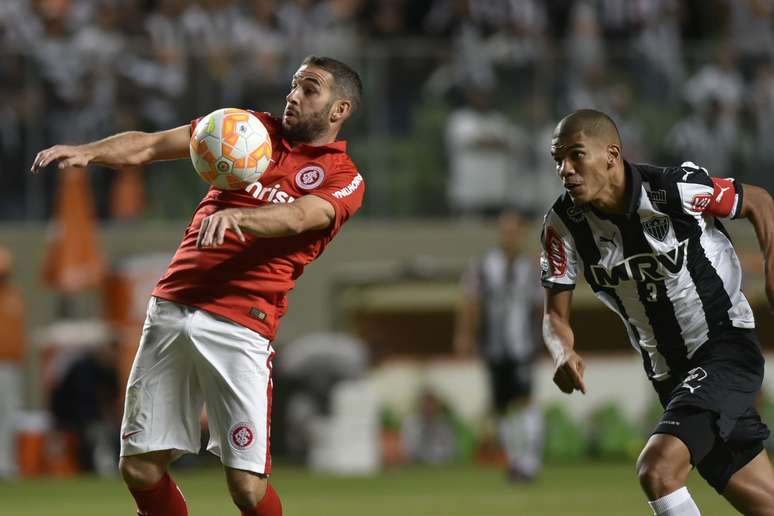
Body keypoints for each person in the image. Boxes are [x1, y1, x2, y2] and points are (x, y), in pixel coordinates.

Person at [31, 55, 365, 516]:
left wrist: (240, 216)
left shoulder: (344, 177)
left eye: (309, 89)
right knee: (140, 469)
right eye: (293, 85)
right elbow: (149, 145)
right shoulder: (244, 128)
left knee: (246, 488)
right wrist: (90, 151)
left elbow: (301, 215)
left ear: (338, 110)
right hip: (171, 306)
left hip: (241, 325)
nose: (293, 95)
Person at [540, 109, 774, 515]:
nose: (565, 170)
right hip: (669, 374)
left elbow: (757, 200)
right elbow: (553, 316)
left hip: (724, 348)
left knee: (657, 469)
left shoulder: (674, 190)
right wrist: (561, 351)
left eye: (576, 155)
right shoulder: (563, 225)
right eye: (558, 159)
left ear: (612, 154)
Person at [454, 208, 543, 482]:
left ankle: (530, 461)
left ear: (523, 234)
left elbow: (545, 305)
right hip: (494, 346)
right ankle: (515, 461)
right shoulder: (483, 266)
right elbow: (471, 301)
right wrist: (465, 335)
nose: (510, 236)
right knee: (501, 407)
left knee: (526, 401)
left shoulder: (532, 267)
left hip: (523, 346)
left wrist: (551, 336)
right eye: (505, 231)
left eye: (514, 231)